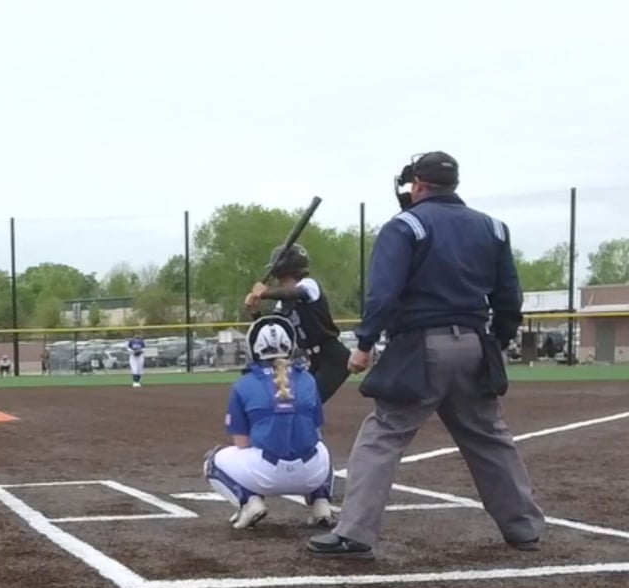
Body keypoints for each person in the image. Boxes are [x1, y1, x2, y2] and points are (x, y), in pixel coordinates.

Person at [309, 151, 544, 560]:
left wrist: (364, 344)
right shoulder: (493, 227)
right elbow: (509, 297)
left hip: (420, 346)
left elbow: (383, 295)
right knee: (489, 438)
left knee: (384, 434)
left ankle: (355, 533)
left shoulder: (406, 226)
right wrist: (498, 341)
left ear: (418, 185)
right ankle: (523, 528)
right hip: (474, 343)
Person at [202, 316, 337, 530]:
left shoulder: (243, 385)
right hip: (311, 473)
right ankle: (322, 504)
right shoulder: (308, 380)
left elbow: (241, 443)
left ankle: (249, 502)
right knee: (321, 448)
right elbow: (316, 429)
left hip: (266, 473)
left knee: (212, 461)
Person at [245, 243, 350, 402]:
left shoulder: (309, 285)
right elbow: (271, 329)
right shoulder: (282, 302)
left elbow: (294, 293)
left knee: (308, 402)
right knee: (294, 400)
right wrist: (254, 311)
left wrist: (265, 293)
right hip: (312, 359)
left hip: (333, 358)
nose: (278, 280)